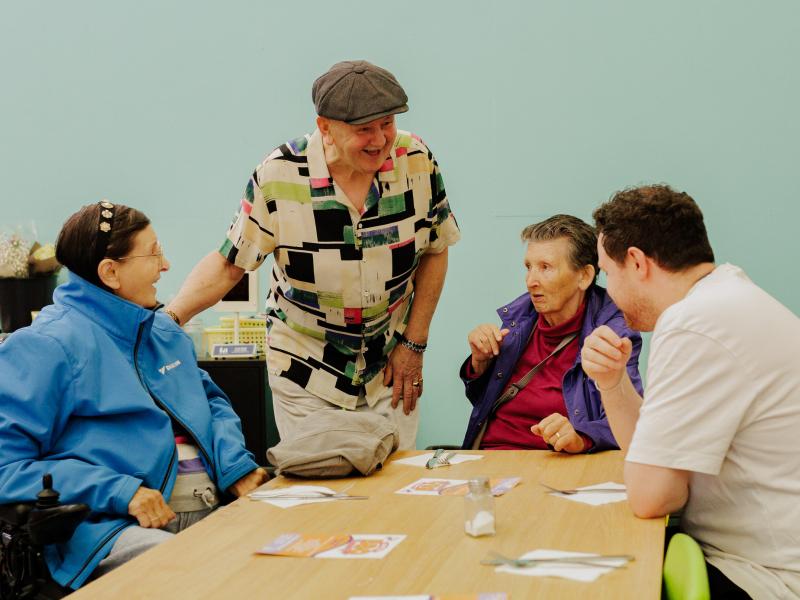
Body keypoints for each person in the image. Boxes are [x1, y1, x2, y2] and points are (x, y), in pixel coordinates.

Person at [166, 60, 460, 450]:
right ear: (325, 127)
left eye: (387, 124)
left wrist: (414, 344)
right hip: (306, 367)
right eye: (364, 130)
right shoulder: (280, 175)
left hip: (390, 364)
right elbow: (230, 264)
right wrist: (169, 321)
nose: (380, 139)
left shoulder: (416, 160)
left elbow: (436, 249)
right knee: (325, 493)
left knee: (392, 495)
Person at [0, 202, 267, 590]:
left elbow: (212, 404)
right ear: (110, 272)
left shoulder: (162, 331)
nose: (166, 265)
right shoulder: (47, 346)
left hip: (212, 507)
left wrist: (235, 467)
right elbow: (6, 467)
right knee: (198, 577)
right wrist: (120, 491)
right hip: (112, 528)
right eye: (154, 252)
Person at [581, 185, 800, 599]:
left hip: (767, 576)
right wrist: (612, 383)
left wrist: (652, 477)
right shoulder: (725, 300)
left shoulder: (695, 322)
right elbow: (654, 462)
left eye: (608, 273)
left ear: (637, 262)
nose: (608, 292)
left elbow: (654, 495)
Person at [460, 215, 642, 451]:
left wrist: (582, 437)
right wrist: (479, 363)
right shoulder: (518, 320)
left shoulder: (612, 332)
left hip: (555, 464)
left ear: (584, 276)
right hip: (490, 458)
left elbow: (630, 422)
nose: (530, 281)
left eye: (545, 268)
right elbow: (482, 401)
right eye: (528, 267)